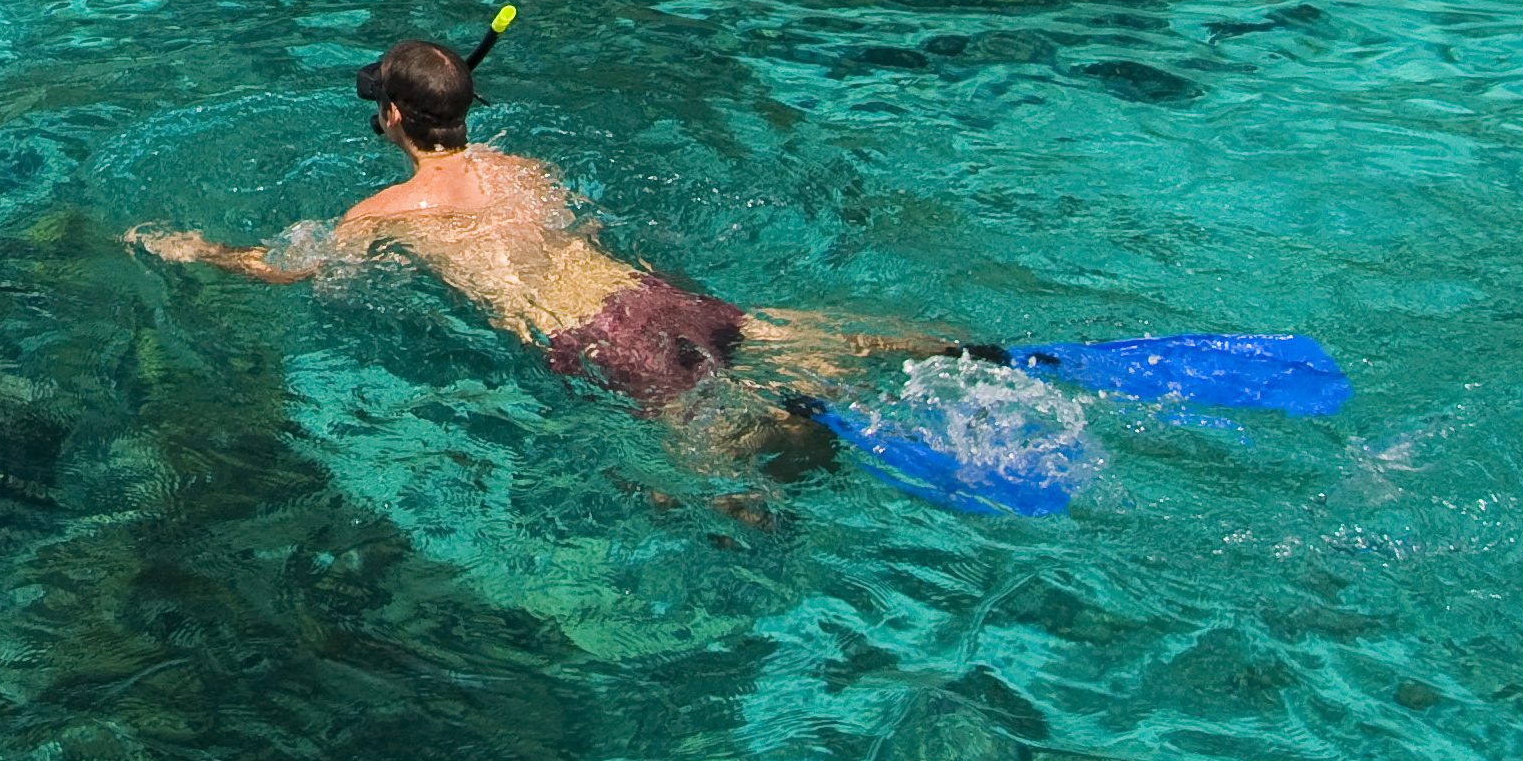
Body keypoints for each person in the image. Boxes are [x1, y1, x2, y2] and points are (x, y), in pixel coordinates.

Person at [125, 31, 961, 462]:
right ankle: (969, 351)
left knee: (694, 466)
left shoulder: (384, 211)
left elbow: (294, 270)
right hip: (657, 294)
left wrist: (198, 249)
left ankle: (780, 469)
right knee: (774, 335)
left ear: (390, 119)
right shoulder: (529, 169)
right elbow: (590, 231)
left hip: (594, 338)